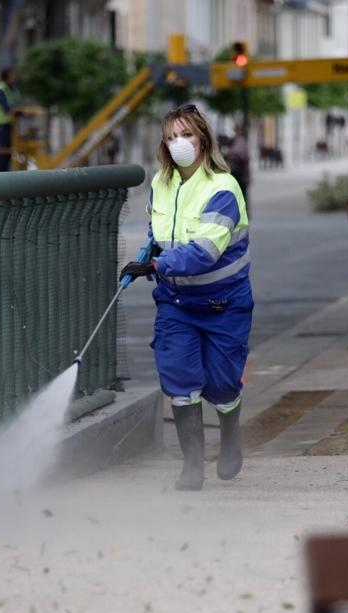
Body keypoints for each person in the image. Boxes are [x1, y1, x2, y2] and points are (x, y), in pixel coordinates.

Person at [119, 104, 252, 492]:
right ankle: (192, 464)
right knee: (179, 378)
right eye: (172, 136)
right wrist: (143, 257)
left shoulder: (223, 189)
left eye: (187, 135)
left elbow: (205, 251)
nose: (180, 143)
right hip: (177, 305)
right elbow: (157, 232)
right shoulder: (161, 183)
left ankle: (230, 431)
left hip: (224, 305)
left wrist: (158, 266)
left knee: (223, 384)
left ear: (204, 139)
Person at [0, 67, 20, 172]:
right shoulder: (1, 89)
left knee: (8, 152)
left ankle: (4, 172)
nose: (15, 78)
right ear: (7, 76)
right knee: (2, 151)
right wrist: (17, 112)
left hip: (8, 124)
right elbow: (6, 107)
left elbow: (15, 105)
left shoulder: (11, 88)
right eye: (12, 75)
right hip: (1, 124)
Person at [224, 124, 251, 210]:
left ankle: (243, 214)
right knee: (242, 196)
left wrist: (228, 153)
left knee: (241, 196)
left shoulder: (240, 140)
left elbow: (239, 153)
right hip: (242, 175)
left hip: (241, 176)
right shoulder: (239, 140)